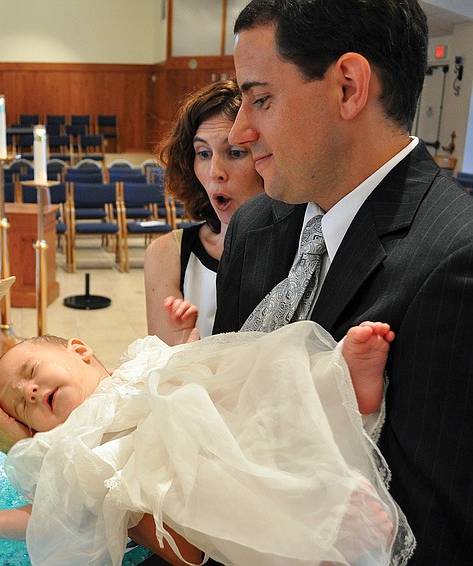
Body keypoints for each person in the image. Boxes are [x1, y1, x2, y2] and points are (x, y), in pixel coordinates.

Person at [212, 1, 473, 564]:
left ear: (349, 87)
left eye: (261, 98)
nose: (239, 131)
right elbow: (213, 410)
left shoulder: (455, 261)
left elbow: (431, 534)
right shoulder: (256, 226)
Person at [0, 311, 408, 565]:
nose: (29, 390)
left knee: (260, 386)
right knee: (242, 504)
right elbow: (50, 514)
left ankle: (339, 382)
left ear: (81, 352)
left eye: (30, 373)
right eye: (22, 404)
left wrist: (185, 344)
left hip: (215, 417)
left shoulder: (140, 363)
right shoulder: (67, 449)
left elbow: (195, 363)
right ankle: (327, 520)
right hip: (189, 486)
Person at [144, 80, 264, 343]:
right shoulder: (167, 254)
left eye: (235, 152)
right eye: (203, 153)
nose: (215, 172)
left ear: (267, 158)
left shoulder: (304, 247)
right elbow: (163, 374)